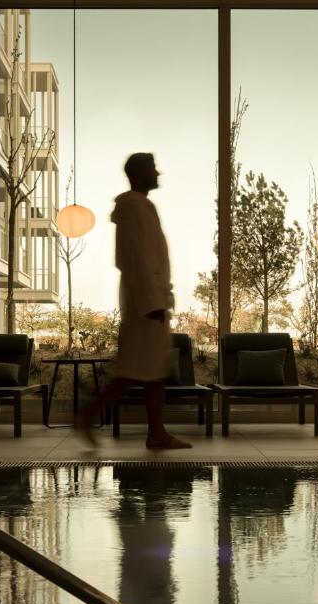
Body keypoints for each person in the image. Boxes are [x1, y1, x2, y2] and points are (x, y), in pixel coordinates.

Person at [76, 153, 191, 449]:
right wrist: (150, 301)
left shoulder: (141, 206)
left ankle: (156, 432)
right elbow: (133, 258)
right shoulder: (132, 209)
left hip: (151, 299)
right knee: (134, 370)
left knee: (152, 371)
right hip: (144, 302)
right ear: (139, 173)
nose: (158, 173)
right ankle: (89, 414)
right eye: (153, 168)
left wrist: (159, 298)